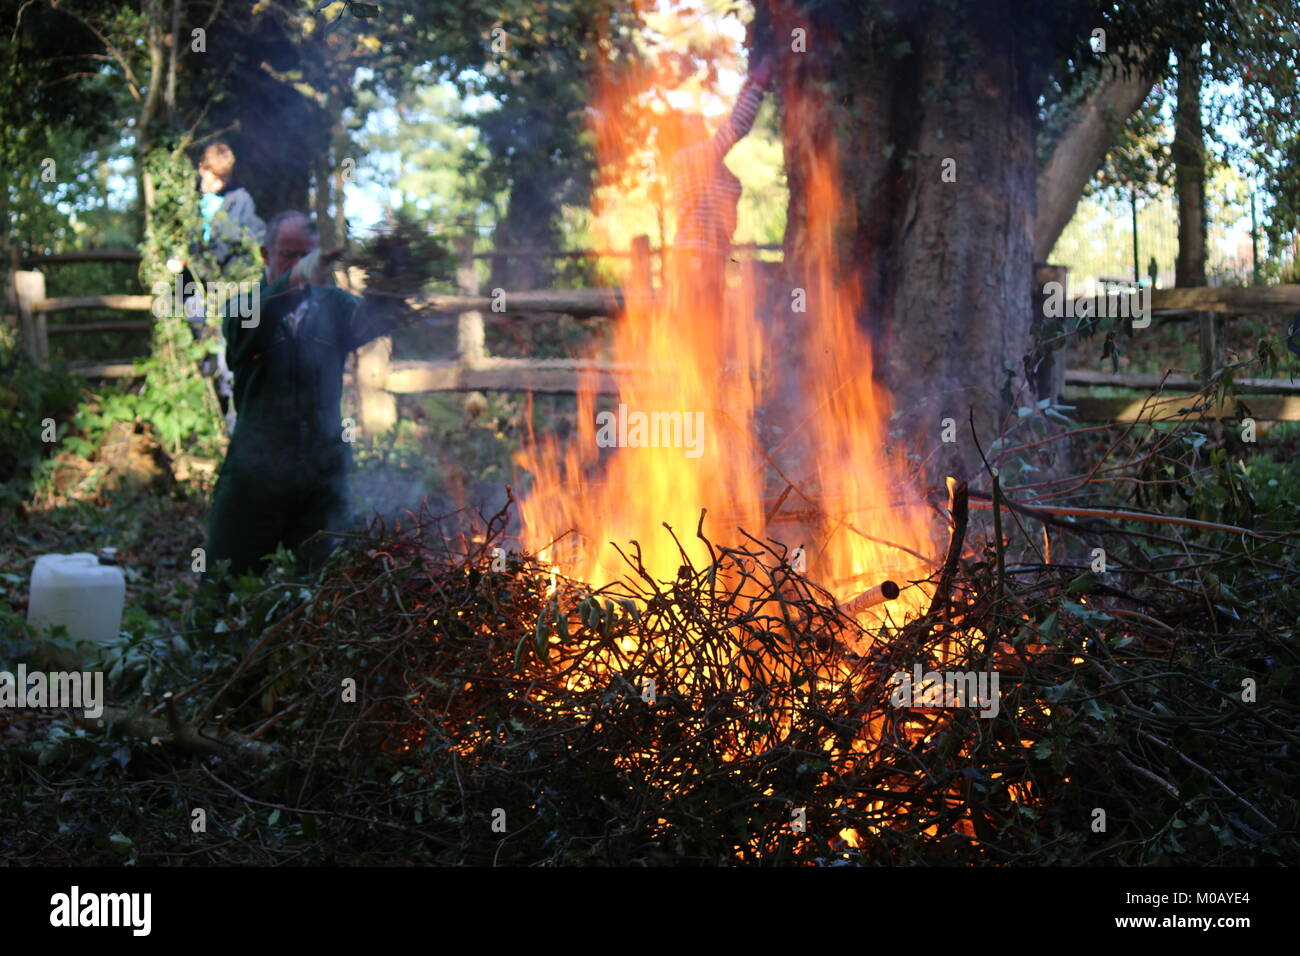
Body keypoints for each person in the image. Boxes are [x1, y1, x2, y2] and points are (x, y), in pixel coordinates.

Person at [204, 211, 406, 581]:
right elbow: (244, 335)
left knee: (331, 588)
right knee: (223, 587)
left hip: (322, 472)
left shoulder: (334, 304)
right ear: (265, 254)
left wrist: (391, 272)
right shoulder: (245, 306)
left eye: (306, 256)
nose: (299, 265)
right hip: (255, 472)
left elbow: (373, 321)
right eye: (288, 255)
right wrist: (295, 279)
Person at [667, 56, 773, 304]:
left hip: (713, 257)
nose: (699, 127)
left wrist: (747, 89)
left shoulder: (715, 166)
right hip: (694, 256)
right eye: (690, 125)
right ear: (683, 135)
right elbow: (734, 128)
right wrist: (756, 89)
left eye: (699, 123)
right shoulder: (688, 159)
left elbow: (727, 131)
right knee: (698, 326)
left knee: (711, 327)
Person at [187, 142, 266, 434]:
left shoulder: (239, 202)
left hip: (231, 293)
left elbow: (252, 242)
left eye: (223, 179)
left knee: (230, 360)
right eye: (213, 176)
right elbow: (187, 251)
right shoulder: (189, 206)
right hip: (195, 291)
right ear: (201, 169)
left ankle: (236, 429)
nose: (217, 184)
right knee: (206, 356)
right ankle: (210, 418)